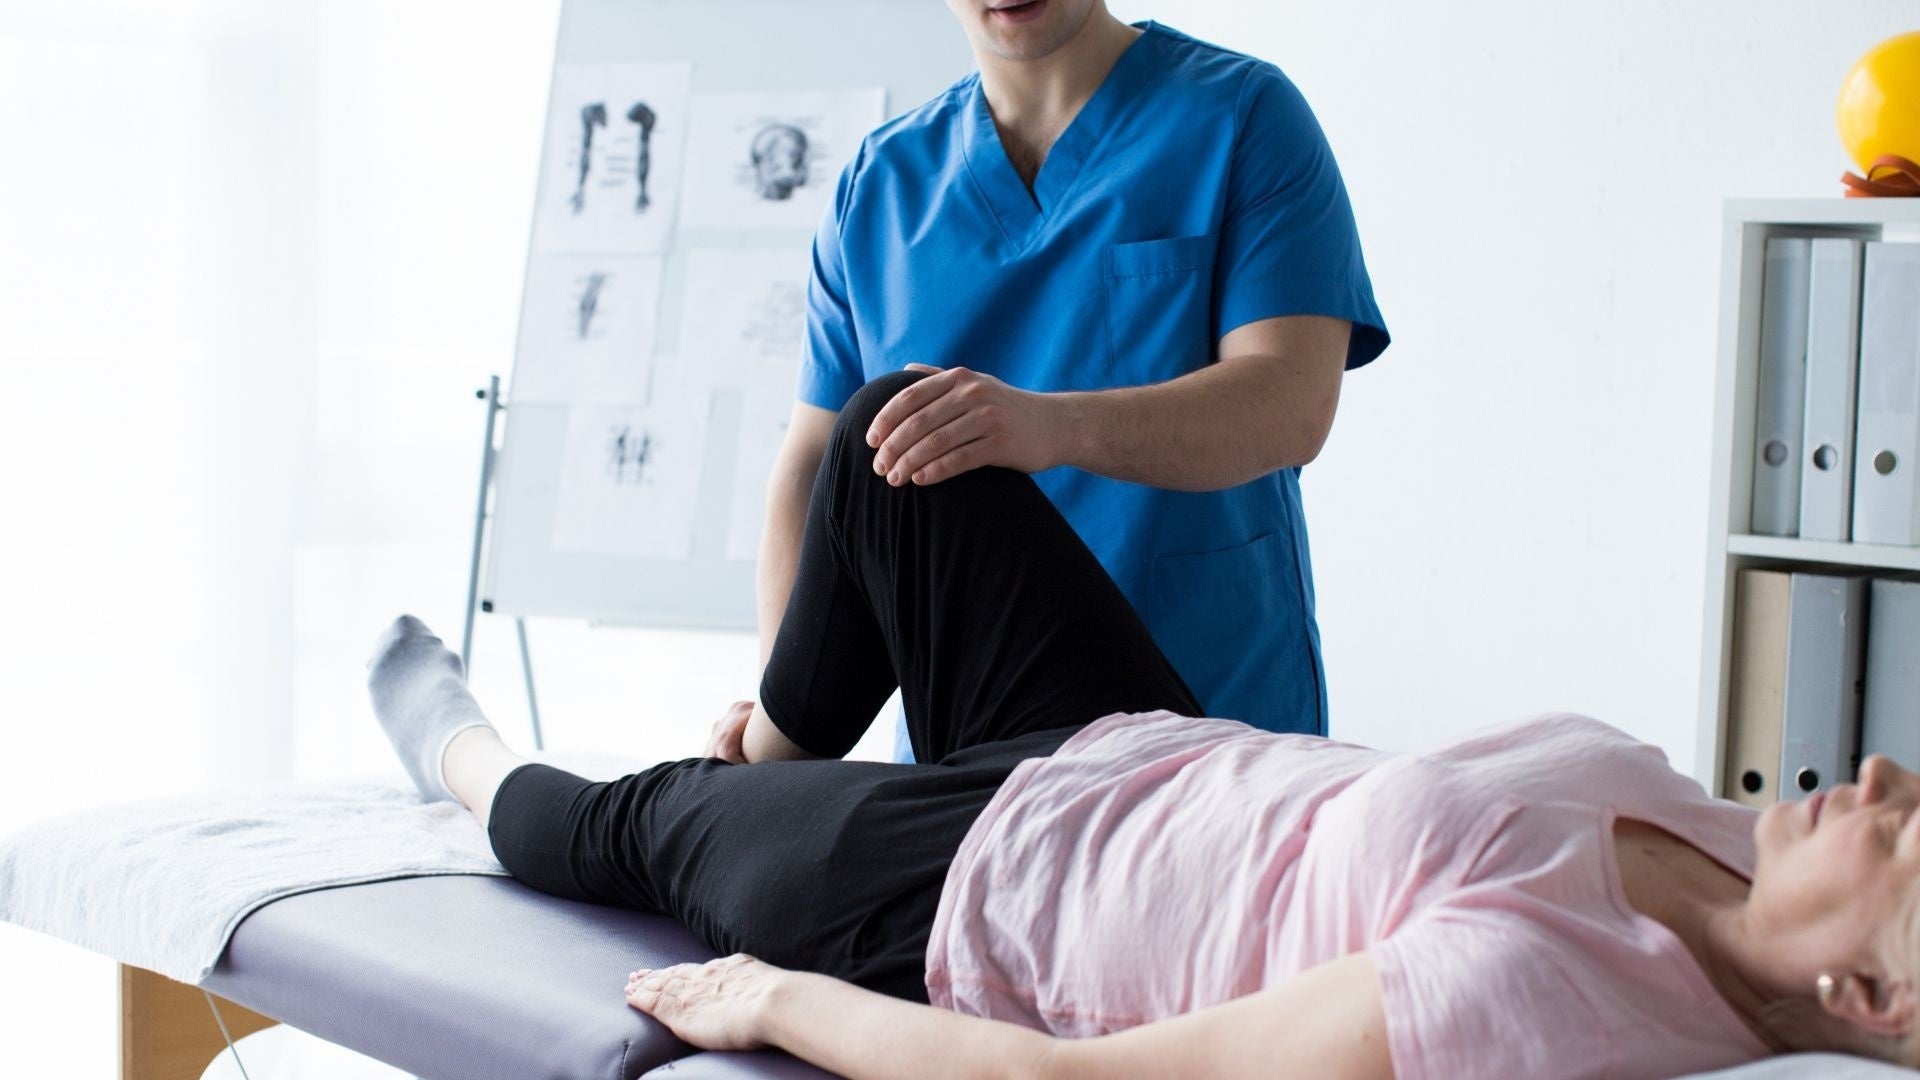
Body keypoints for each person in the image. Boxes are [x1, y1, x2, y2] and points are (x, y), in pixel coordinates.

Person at [369, 373, 1920, 1080]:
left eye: (1906, 835)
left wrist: (777, 1002)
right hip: (1131, 744)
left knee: (625, 822)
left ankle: (453, 747)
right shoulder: (1736, 846)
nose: (1880, 776)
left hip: (968, 892)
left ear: (1869, 992)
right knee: (903, 440)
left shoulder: (1538, 1002)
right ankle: (777, 752)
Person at [735, 0, 1392, 763]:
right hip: (964, 749)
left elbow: (1292, 401)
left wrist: (1048, 427)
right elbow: (814, 466)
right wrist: (781, 723)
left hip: (1211, 730)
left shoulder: (1241, 116)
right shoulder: (877, 189)